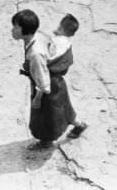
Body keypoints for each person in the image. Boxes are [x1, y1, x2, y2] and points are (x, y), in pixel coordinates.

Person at [11, 9, 78, 150]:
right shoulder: (38, 37)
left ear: (25, 30)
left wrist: (38, 98)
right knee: (64, 110)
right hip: (58, 83)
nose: (12, 30)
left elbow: (43, 82)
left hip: (48, 88)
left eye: (16, 27)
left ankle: (45, 143)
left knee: (46, 117)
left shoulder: (35, 54)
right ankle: (80, 125)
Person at [47, 14, 87, 139]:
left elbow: (48, 57)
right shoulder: (67, 42)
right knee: (64, 107)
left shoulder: (57, 41)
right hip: (59, 81)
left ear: (61, 28)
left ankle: (47, 138)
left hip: (50, 81)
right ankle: (80, 125)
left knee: (51, 110)